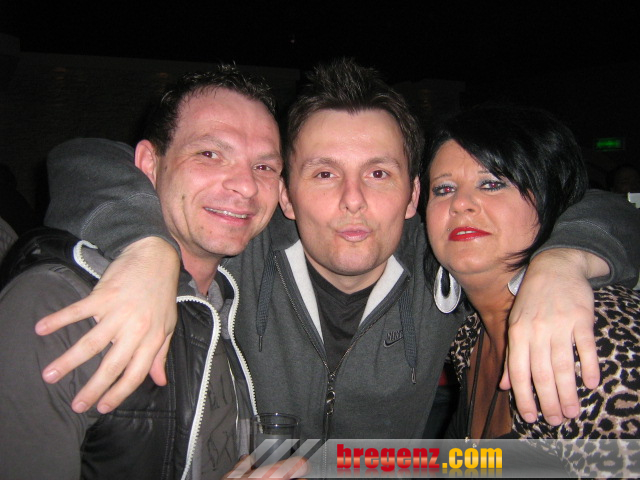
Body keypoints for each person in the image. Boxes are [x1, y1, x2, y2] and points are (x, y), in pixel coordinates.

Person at [39, 59, 640, 441]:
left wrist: (564, 262)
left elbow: (599, 206)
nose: (353, 201)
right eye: (324, 173)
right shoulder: (241, 248)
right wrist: (146, 248)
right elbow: (82, 159)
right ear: (286, 193)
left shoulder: (445, 255)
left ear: (412, 194)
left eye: (378, 174)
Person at [0, 66, 307, 479]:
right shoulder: (57, 306)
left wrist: (375, 463)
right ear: (149, 163)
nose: (246, 186)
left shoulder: (234, 299)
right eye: (210, 154)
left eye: (264, 167)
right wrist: (150, 250)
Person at [423, 105, 640, 472]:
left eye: (492, 183)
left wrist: (564, 259)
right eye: (443, 189)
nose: (460, 204)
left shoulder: (595, 342)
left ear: (550, 198)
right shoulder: (469, 338)